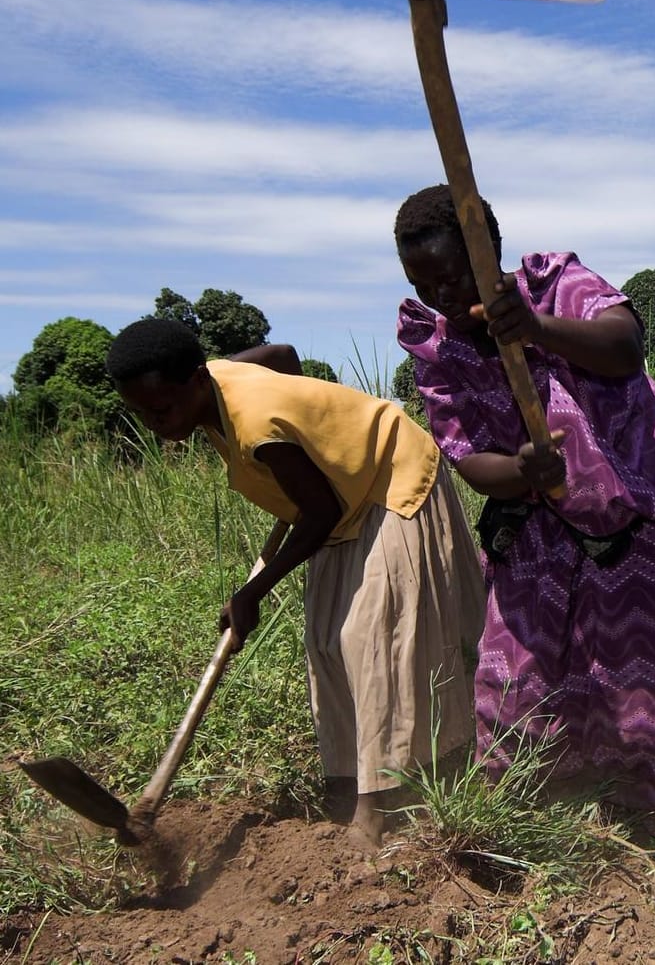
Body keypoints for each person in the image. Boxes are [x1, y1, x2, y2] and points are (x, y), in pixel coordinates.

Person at [392, 184, 655, 845]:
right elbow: (465, 454)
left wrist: (533, 328)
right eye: (423, 281)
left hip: (645, 514)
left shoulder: (553, 286)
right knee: (514, 686)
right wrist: (521, 472)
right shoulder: (434, 347)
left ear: (491, 252)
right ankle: (538, 829)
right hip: (539, 531)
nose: (441, 292)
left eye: (455, 272)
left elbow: (624, 345)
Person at [105, 319, 483, 845]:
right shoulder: (215, 376)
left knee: (370, 641)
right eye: (142, 413)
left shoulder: (259, 427)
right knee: (327, 643)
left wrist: (252, 593)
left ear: (195, 380)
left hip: (386, 478)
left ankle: (376, 810)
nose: (154, 424)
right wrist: (307, 417)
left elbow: (320, 513)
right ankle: (348, 781)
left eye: (162, 409)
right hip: (340, 491)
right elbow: (282, 354)